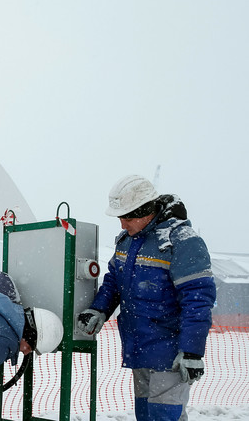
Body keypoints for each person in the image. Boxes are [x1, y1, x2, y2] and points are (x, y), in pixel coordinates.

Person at [76, 175, 216, 421]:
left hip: (171, 352)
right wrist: (99, 309)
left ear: (147, 211)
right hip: (139, 349)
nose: (122, 225)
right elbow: (114, 283)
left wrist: (192, 352)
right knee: (145, 415)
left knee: (164, 416)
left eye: (127, 217)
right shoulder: (128, 241)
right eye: (120, 217)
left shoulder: (182, 242)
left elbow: (197, 300)